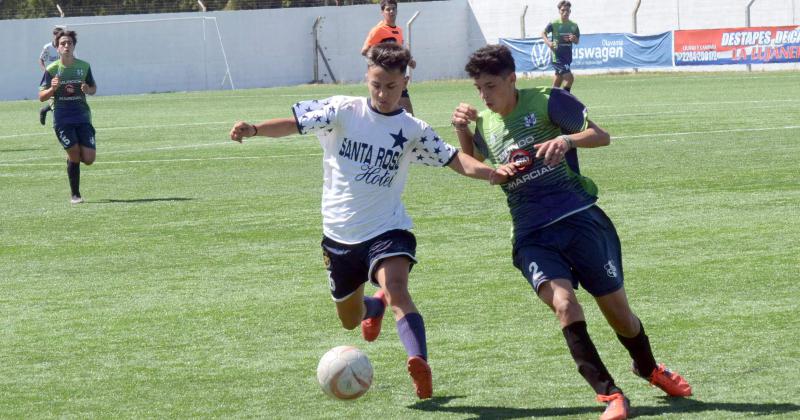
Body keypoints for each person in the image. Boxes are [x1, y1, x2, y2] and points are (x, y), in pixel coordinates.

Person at [229, 43, 519, 400]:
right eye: (376, 85)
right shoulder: (341, 109)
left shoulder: (413, 129)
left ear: (405, 83)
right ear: (367, 77)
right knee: (350, 320)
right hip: (338, 237)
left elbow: (456, 159)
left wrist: (492, 173)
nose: (383, 94)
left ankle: (419, 363)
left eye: (392, 87)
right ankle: (374, 305)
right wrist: (255, 129)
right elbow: (294, 123)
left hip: (387, 229)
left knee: (398, 289)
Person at [451, 44, 691, 420]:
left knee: (620, 317)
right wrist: (462, 130)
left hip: (581, 220)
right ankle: (609, 395)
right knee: (564, 304)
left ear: (512, 79)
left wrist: (566, 140)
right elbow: (475, 163)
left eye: (491, 86)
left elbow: (601, 135)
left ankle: (648, 368)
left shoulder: (550, 100)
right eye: (479, 88)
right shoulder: (485, 120)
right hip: (532, 235)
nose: (484, 95)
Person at [39, 30, 98, 205]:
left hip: (82, 116)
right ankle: (75, 194)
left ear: (74, 46)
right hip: (62, 118)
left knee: (88, 159)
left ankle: (72, 156)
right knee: (74, 154)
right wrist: (52, 89)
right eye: (63, 43)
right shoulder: (52, 70)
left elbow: (93, 88)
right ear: (57, 48)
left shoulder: (84, 66)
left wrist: (88, 90)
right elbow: (41, 96)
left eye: (69, 43)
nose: (66, 46)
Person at [361, 0, 416, 115]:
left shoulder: (399, 30)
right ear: (382, 12)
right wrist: (382, 62)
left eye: (393, 9)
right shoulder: (378, 30)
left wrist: (409, 60)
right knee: (405, 112)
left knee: (405, 112)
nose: (391, 11)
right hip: (386, 79)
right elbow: (365, 50)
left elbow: (398, 52)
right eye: (388, 9)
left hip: (397, 76)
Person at [541, 0, 579, 92]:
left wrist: (574, 39)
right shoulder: (554, 24)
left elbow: (577, 41)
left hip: (567, 57)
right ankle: (565, 100)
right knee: (570, 78)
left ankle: (551, 99)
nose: (565, 12)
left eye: (567, 10)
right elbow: (543, 33)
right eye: (563, 10)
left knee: (558, 81)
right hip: (557, 57)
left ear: (570, 11)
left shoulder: (574, 25)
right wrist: (549, 43)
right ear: (559, 11)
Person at [39, 26, 64, 125]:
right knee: (55, 96)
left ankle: (45, 110)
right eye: (58, 36)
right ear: (54, 36)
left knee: (62, 96)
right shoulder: (48, 47)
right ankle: (56, 121)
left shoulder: (63, 46)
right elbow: (41, 59)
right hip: (51, 76)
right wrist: (45, 71)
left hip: (63, 75)